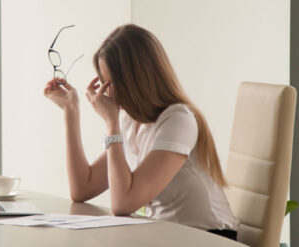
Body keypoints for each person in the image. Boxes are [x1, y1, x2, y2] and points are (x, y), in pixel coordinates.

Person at [43, 24, 239, 241]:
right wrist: (70, 111)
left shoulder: (178, 120)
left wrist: (111, 123)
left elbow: (123, 204)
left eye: (110, 83)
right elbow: (82, 188)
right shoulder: (130, 121)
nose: (106, 92)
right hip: (168, 235)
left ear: (136, 79)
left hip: (209, 238)